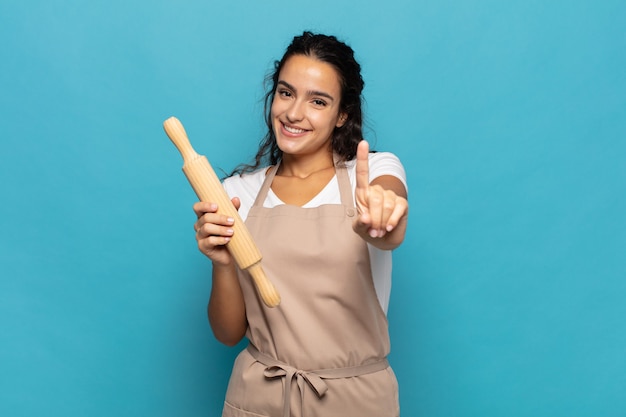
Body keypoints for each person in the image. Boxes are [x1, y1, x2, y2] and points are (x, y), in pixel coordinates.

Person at [193, 31, 408, 417]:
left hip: (355, 401)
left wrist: (382, 214)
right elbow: (227, 334)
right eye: (286, 93)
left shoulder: (374, 172)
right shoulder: (237, 191)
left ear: (343, 114)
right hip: (258, 396)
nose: (294, 113)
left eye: (318, 101)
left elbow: (390, 226)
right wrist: (221, 262)